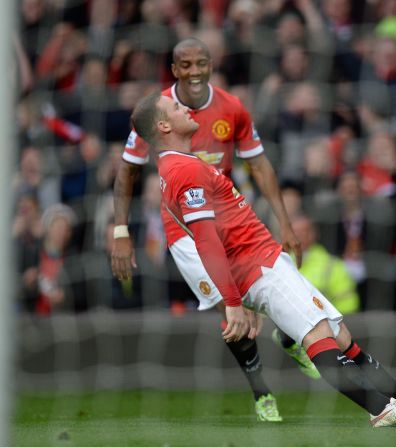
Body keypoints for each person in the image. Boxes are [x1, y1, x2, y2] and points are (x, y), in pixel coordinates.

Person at [130, 91, 396, 427]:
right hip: (257, 266)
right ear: (162, 125)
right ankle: (379, 409)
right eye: (175, 106)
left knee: (340, 336)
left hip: (265, 260)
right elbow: (205, 241)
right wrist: (232, 302)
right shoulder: (182, 170)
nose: (185, 106)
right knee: (317, 334)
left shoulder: (179, 166)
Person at [110, 37, 316, 422]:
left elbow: (259, 164)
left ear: (210, 64)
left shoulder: (231, 107)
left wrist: (285, 223)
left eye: (200, 64)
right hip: (183, 228)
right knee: (231, 303)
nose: (193, 72)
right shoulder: (156, 112)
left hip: (228, 216)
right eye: (184, 65)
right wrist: (121, 230)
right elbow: (127, 170)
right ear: (174, 70)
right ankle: (261, 393)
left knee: (265, 285)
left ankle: (288, 335)